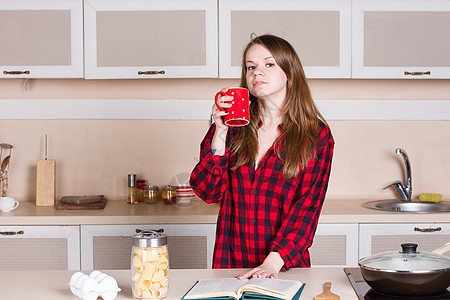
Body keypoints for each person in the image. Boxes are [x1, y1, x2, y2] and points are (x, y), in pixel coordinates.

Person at [189, 34, 334, 279]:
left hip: (283, 267)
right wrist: (220, 132)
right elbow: (208, 191)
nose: (257, 72)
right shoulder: (232, 125)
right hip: (229, 263)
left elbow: (306, 208)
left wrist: (271, 264)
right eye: (251, 67)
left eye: (269, 64)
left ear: (289, 71)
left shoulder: (316, 135)